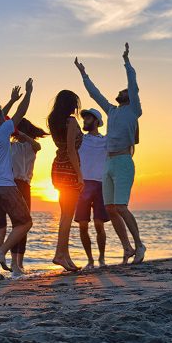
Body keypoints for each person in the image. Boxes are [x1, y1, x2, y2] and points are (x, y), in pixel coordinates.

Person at [74, 43, 145, 264]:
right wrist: (84, 74)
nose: (122, 91)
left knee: (121, 206)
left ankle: (140, 245)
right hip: (109, 164)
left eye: (125, 91)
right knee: (111, 208)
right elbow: (95, 95)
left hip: (123, 161)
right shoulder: (111, 110)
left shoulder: (134, 109)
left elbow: (132, 83)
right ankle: (127, 248)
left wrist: (126, 61)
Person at [0, 79, 34, 279]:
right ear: (1, 119)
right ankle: (2, 252)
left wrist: (10, 100)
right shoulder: (4, 131)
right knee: (25, 223)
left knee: (0, 230)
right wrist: (28, 93)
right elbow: (22, 112)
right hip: (5, 186)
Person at [47, 89, 84, 272]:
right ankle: (60, 255)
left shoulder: (53, 120)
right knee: (68, 215)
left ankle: (64, 254)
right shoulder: (70, 121)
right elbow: (71, 150)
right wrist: (79, 174)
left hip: (58, 168)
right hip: (69, 168)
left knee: (65, 215)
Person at [9, 119, 48, 276]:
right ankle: (13, 263)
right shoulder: (10, 146)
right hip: (13, 184)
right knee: (17, 225)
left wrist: (22, 134)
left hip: (26, 186)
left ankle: (20, 263)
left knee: (24, 225)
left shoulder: (32, 147)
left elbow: (38, 145)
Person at [74, 108, 110, 270]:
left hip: (101, 184)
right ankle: (90, 259)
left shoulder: (106, 140)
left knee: (98, 224)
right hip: (83, 185)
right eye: (84, 118)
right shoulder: (80, 139)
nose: (84, 120)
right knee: (82, 225)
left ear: (96, 121)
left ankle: (102, 258)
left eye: (87, 118)